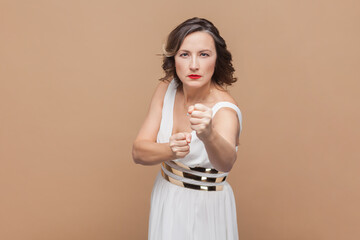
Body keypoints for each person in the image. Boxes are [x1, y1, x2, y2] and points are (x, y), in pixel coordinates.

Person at [132, 17, 243, 240]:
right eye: (185, 54)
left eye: (204, 54)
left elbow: (226, 162)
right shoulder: (167, 88)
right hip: (167, 193)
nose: (194, 65)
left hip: (206, 206)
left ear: (216, 59)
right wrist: (169, 151)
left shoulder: (225, 109)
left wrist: (209, 134)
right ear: (174, 59)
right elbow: (138, 152)